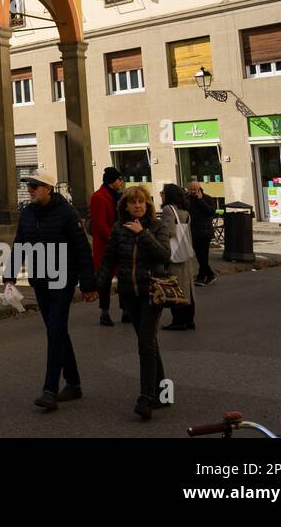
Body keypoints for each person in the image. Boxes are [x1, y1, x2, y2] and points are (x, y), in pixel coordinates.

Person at [3, 169, 97, 412]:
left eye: (35, 185)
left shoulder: (66, 213)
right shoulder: (27, 214)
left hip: (62, 280)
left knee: (55, 331)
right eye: (28, 185)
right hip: (40, 280)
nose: (30, 189)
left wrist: (88, 285)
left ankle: (50, 390)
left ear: (48, 188)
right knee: (57, 332)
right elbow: (19, 245)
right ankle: (74, 383)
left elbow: (82, 250)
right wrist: (9, 278)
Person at [96, 185, 173, 420]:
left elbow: (164, 255)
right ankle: (163, 391)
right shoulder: (119, 229)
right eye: (133, 203)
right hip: (129, 293)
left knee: (145, 344)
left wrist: (142, 233)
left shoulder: (157, 226)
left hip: (151, 292)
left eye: (141, 202)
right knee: (147, 341)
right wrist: (99, 287)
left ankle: (146, 397)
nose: (137, 206)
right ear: (126, 206)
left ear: (148, 205)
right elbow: (109, 260)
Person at [88, 167, 124, 326]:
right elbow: (100, 225)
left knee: (124, 278)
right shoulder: (98, 197)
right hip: (105, 246)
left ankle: (126, 310)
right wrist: (115, 239)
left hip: (119, 242)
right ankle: (105, 312)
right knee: (105, 280)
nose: (121, 182)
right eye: (119, 179)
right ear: (112, 180)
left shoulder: (119, 196)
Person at [160, 184, 199, 331]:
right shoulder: (185, 212)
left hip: (174, 254)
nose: (161, 195)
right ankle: (189, 320)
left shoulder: (168, 210)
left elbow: (168, 232)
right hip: (186, 252)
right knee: (188, 288)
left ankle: (178, 321)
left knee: (176, 287)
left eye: (162, 192)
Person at [185, 181, 218, 284]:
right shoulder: (187, 199)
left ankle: (201, 276)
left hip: (204, 232)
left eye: (195, 189)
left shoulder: (207, 198)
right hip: (192, 232)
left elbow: (211, 212)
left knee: (203, 256)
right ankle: (210, 275)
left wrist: (201, 200)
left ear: (199, 189)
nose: (193, 191)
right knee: (199, 256)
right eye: (191, 189)